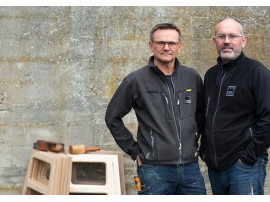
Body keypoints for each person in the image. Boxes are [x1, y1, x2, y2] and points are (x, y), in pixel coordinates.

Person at [105, 23, 206, 195]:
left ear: (179, 47)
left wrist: (194, 142)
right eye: (161, 43)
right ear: (151, 46)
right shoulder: (135, 80)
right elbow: (112, 117)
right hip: (154, 170)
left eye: (172, 43)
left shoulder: (192, 77)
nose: (166, 47)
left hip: (190, 168)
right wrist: (133, 149)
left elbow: (202, 114)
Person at [199, 18, 270, 195]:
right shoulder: (211, 75)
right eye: (221, 36)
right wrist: (204, 150)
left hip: (245, 168)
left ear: (243, 40)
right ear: (215, 41)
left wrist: (247, 157)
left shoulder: (257, 72)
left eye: (232, 36)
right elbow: (205, 115)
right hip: (215, 166)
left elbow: (268, 118)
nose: (227, 41)